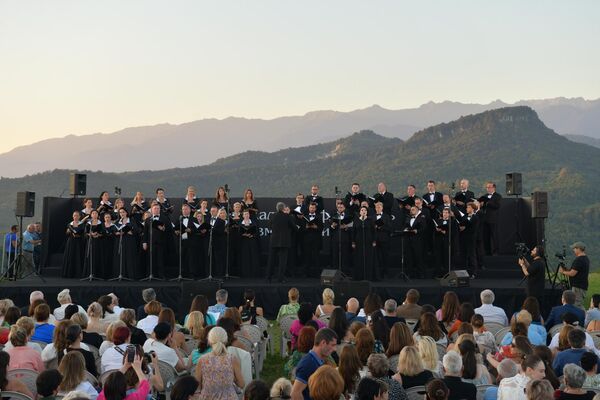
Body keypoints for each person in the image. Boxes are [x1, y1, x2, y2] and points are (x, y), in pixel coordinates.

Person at [194, 326, 245, 400]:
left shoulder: (202, 360)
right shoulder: (232, 359)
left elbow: (197, 387)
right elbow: (242, 384)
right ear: (225, 340)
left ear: (209, 340)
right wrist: (231, 378)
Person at [290, 328, 338, 400]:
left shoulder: (318, 360)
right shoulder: (308, 364)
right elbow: (295, 393)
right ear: (323, 343)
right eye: (332, 345)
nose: (335, 349)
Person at [268, 202, 297, 283]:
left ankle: (268, 277)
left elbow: (269, 226)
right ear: (283, 208)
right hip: (284, 242)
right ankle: (280, 279)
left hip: (274, 241)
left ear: (277, 208)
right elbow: (294, 228)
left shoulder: (273, 216)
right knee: (282, 262)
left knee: (271, 260)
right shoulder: (287, 216)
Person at [142, 203, 173, 279]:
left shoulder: (165, 218)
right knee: (150, 259)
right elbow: (145, 232)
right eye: (155, 208)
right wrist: (144, 242)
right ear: (152, 210)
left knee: (160, 260)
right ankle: (150, 275)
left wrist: (164, 229)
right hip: (150, 243)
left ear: (160, 210)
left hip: (161, 242)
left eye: (158, 208)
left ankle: (161, 275)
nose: (156, 210)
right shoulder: (148, 220)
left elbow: (170, 230)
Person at [560, 242, 591, 309]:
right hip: (581, 285)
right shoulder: (585, 258)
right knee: (577, 304)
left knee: (577, 305)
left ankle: (583, 318)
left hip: (578, 286)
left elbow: (572, 273)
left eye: (574, 248)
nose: (573, 250)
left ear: (578, 249)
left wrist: (563, 272)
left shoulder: (579, 260)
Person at [352, 206, 378, 280]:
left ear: (367, 212)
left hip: (368, 242)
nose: (363, 211)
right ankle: (359, 276)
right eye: (362, 210)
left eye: (365, 210)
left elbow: (374, 231)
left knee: (368, 259)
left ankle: (368, 276)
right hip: (358, 242)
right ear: (360, 212)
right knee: (359, 259)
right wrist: (353, 242)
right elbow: (354, 231)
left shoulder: (370, 220)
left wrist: (374, 241)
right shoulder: (356, 220)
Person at [329, 202, 353, 275]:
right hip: (335, 239)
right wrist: (332, 226)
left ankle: (345, 273)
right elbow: (330, 229)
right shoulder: (333, 216)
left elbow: (352, 228)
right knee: (335, 256)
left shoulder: (349, 216)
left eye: (341, 207)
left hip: (345, 239)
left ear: (344, 208)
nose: (340, 209)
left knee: (345, 256)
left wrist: (347, 227)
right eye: (338, 207)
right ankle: (336, 273)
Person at [478, 182, 502, 256]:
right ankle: (487, 252)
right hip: (485, 219)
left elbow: (497, 206)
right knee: (486, 237)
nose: (487, 189)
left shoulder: (498, 196)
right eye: (487, 187)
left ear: (493, 188)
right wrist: (481, 204)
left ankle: (496, 252)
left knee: (494, 236)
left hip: (493, 219)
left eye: (489, 187)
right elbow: (482, 206)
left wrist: (487, 202)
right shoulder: (485, 196)